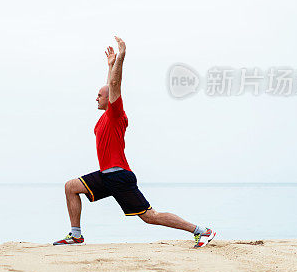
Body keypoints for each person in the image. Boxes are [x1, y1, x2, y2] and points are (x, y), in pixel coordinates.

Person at [53, 36, 215, 248]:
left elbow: (113, 85)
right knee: (70, 187)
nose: (96, 98)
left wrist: (120, 59)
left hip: (119, 176)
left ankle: (202, 231)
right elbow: (109, 86)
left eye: (99, 95)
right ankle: (76, 235)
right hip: (106, 175)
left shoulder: (115, 115)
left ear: (110, 99)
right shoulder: (104, 118)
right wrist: (110, 65)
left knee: (150, 216)